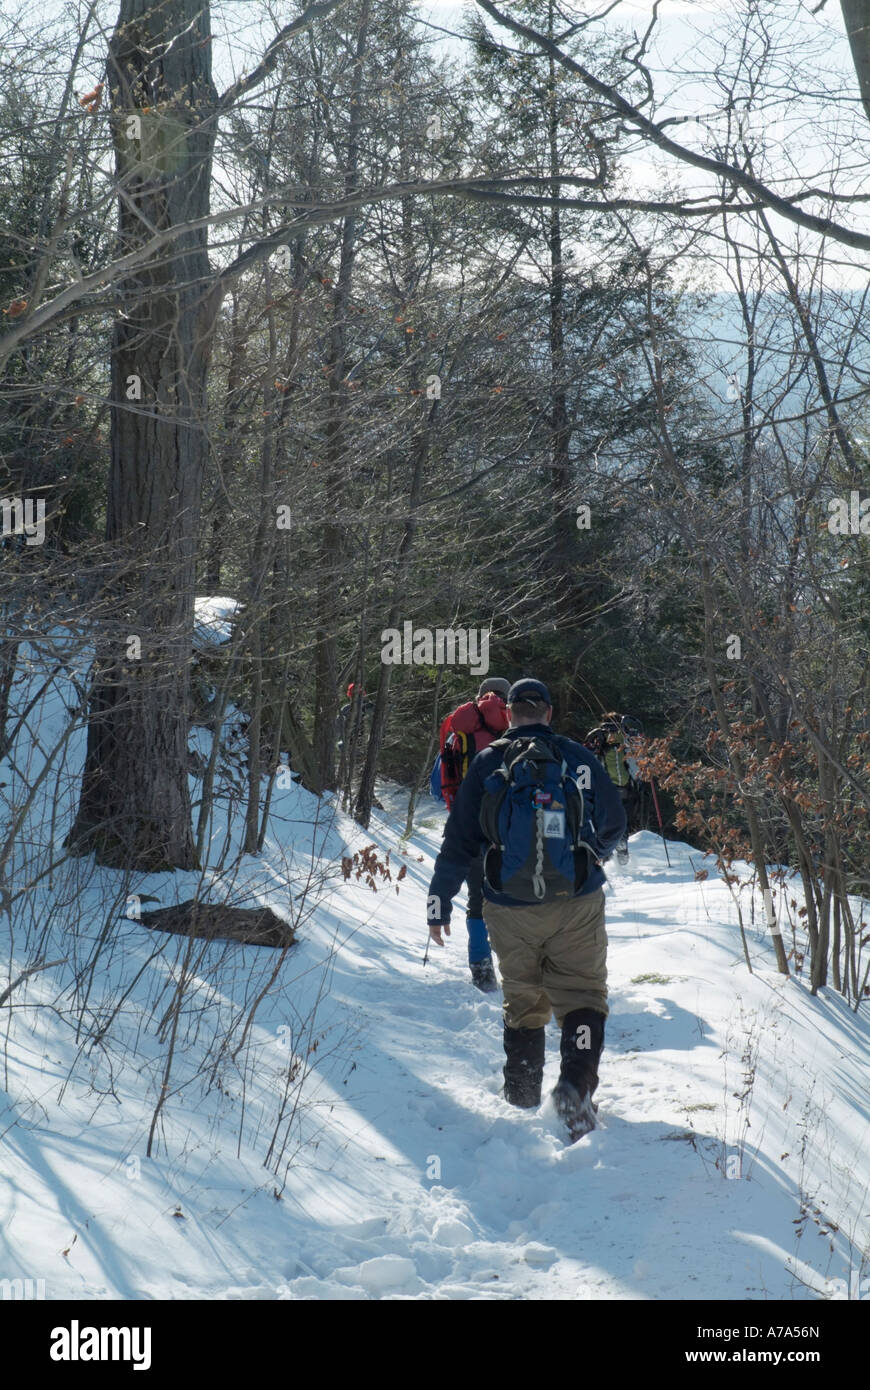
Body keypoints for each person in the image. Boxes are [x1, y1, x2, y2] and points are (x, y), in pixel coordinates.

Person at [427, 678, 626, 1141]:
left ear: (510, 713)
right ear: (548, 713)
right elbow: (615, 821)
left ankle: (520, 1097)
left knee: (523, 1001)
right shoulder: (577, 757)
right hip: (576, 902)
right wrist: (590, 856)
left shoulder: (488, 761)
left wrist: (439, 904)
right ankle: (575, 1087)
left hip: (508, 905)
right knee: (582, 997)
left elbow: (458, 841)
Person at [431, 677, 511, 992]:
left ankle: (481, 969)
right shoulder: (516, 729)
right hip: (510, 829)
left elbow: (437, 787)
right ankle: (521, 966)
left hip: (469, 828)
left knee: (477, 901)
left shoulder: (459, 734)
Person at [584, 713, 639, 864]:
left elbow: (588, 761)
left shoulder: (599, 739)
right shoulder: (628, 740)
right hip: (626, 789)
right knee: (622, 820)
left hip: (605, 790)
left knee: (605, 822)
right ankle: (621, 851)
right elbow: (637, 767)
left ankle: (605, 857)